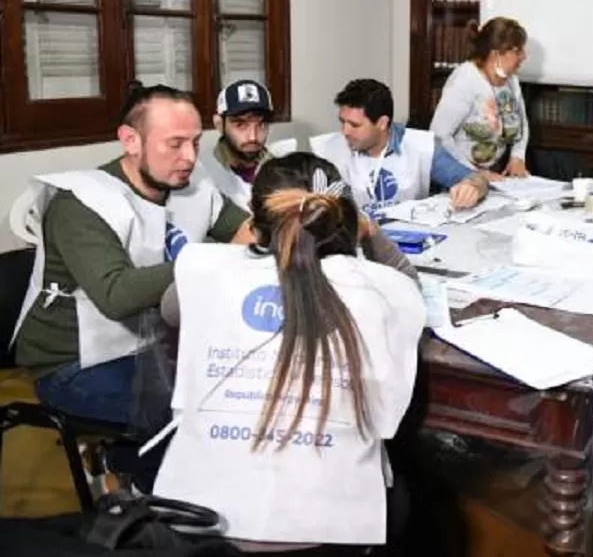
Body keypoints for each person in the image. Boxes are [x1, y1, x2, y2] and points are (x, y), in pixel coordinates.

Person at [152, 152, 425, 553]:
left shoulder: (208, 273)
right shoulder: (375, 286)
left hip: (200, 524)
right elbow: (410, 289)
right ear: (341, 217)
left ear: (254, 219)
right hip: (326, 533)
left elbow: (170, 309)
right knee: (407, 487)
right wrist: (369, 232)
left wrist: (242, 242)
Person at [8, 83, 253, 426]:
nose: (190, 157)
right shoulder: (80, 203)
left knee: (243, 389)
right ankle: (124, 469)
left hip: (152, 346)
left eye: (195, 142)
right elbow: (117, 295)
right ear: (131, 140)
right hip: (75, 362)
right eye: (175, 144)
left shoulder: (189, 182)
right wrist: (213, 257)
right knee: (191, 414)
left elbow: (245, 230)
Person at [311, 79, 488, 221]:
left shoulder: (421, 146)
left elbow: (475, 178)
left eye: (354, 125)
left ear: (382, 123)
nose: (345, 132)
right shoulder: (327, 151)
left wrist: (472, 188)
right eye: (342, 121)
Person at [430, 17, 530, 180]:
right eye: (518, 51)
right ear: (496, 53)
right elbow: (439, 136)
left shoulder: (512, 80)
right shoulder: (465, 80)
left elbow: (522, 123)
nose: (524, 56)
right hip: (459, 176)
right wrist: (474, 173)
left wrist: (518, 157)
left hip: (495, 177)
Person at [196, 79, 297, 210]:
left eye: (261, 124)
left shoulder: (284, 169)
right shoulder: (201, 173)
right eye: (240, 124)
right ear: (219, 125)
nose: (253, 137)